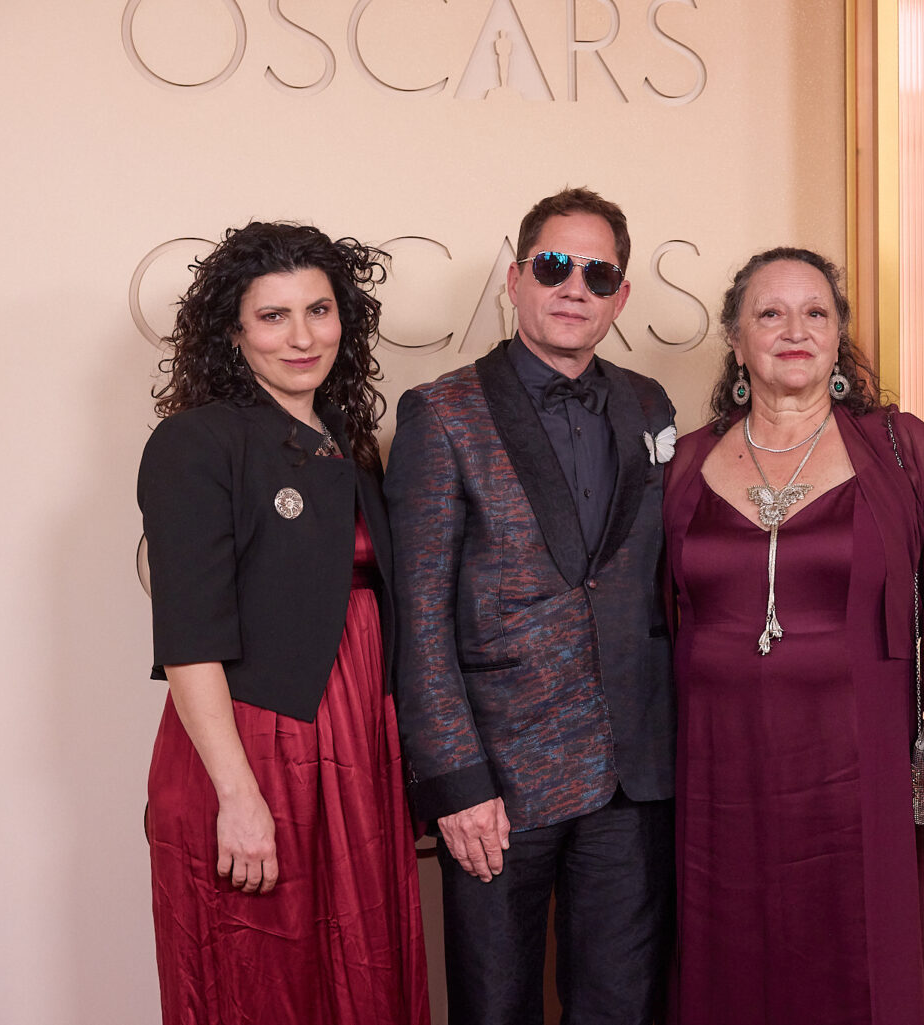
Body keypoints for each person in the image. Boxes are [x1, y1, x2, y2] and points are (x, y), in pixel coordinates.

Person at [384, 188, 676, 1024]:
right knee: (495, 1006)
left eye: (598, 272)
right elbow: (421, 618)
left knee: (625, 1006)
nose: (574, 286)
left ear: (620, 297)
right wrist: (458, 781)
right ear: (515, 279)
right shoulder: (441, 413)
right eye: (554, 265)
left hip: (634, 772)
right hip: (500, 784)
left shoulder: (651, 403)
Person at [663, 247, 924, 1025]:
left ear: (839, 337)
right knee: (724, 960)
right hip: (714, 764)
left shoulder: (901, 448)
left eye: (815, 312)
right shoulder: (686, 462)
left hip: (858, 762)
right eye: (770, 313)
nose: (794, 330)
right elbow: (660, 615)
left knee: (858, 964)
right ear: (736, 339)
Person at [137, 221, 429, 1025]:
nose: (302, 336)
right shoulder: (196, 443)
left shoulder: (347, 444)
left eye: (320, 310)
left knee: (357, 969)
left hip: (356, 747)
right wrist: (237, 794)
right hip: (257, 749)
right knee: (263, 979)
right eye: (273, 316)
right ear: (232, 332)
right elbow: (191, 640)